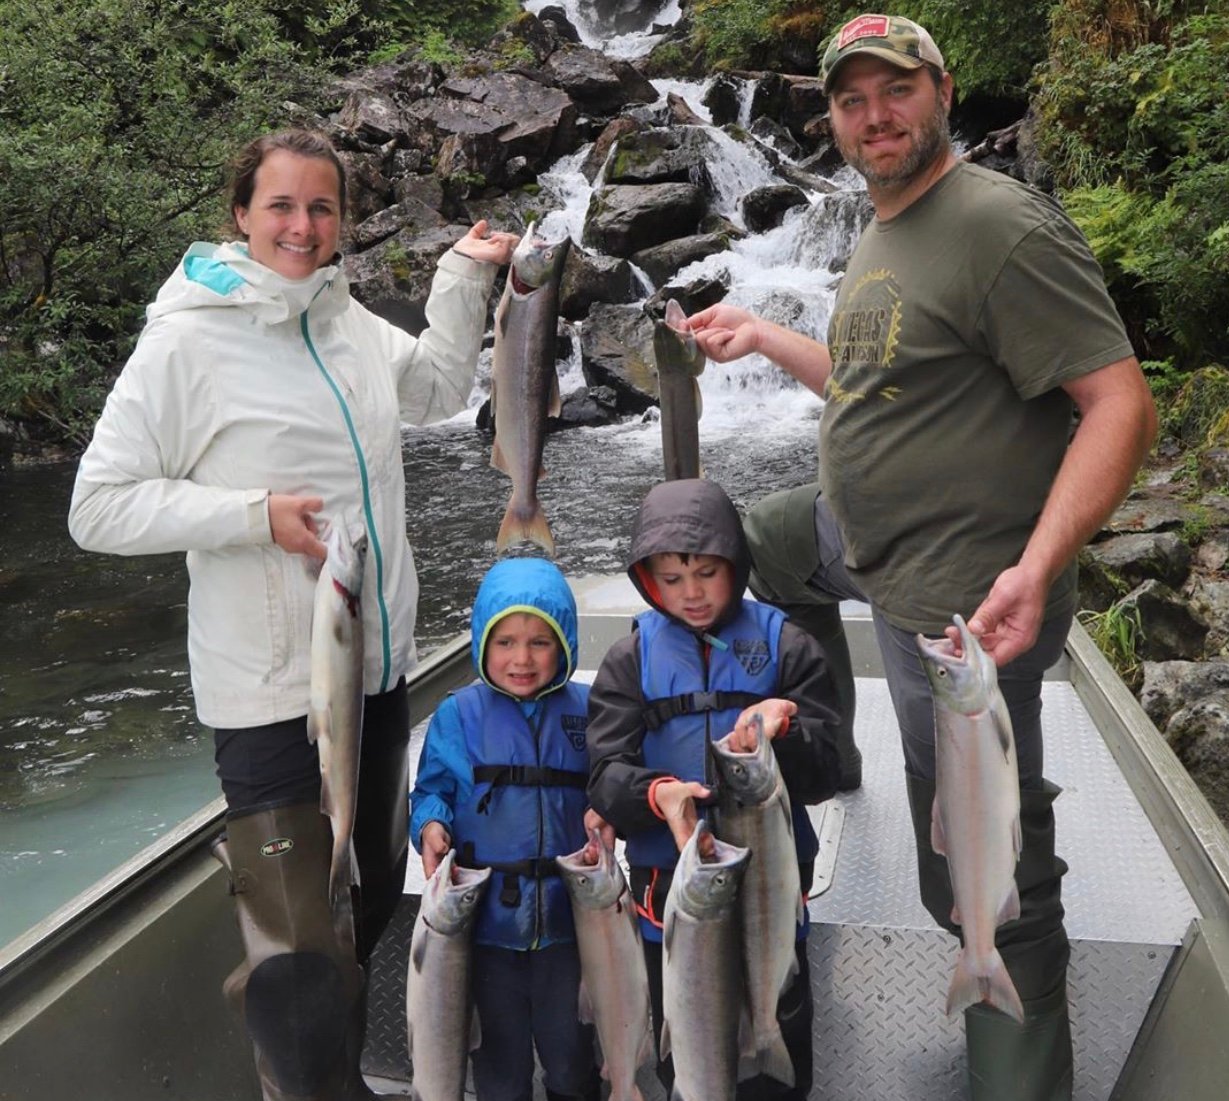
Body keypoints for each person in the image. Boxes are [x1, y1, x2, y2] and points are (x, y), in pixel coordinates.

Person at [687, 14, 1159, 1101]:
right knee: (751, 538)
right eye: (850, 101)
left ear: (939, 90)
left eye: (891, 92)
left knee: (984, 869)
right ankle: (822, 750)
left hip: (958, 608)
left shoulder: (996, 226)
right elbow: (870, 386)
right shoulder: (881, 220)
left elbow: (1117, 405)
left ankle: (1010, 1047)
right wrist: (761, 335)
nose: (872, 116)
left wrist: (1036, 567)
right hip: (862, 541)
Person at [66, 128, 519, 1101]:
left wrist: (462, 274)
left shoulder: (343, 318)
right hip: (271, 700)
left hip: (376, 679)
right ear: (240, 213)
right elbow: (96, 506)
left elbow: (439, 389)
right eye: (280, 206)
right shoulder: (185, 340)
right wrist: (251, 518)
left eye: (320, 208)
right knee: (300, 956)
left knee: (358, 908)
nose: (301, 227)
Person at [586, 477, 842, 1099]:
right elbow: (605, 776)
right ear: (647, 579)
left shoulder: (789, 645)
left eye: (706, 572)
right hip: (671, 891)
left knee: (779, 1038)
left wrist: (789, 731)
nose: (691, 593)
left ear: (737, 564)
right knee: (691, 1058)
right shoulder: (628, 660)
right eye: (671, 579)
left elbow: (826, 772)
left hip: (769, 893)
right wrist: (658, 795)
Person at [410, 556, 602, 1101]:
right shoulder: (458, 715)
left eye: (540, 642)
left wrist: (609, 812)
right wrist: (430, 828)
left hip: (571, 930)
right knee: (498, 1066)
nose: (522, 658)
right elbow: (431, 792)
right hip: (487, 933)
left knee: (571, 1061)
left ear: (564, 643)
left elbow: (610, 787)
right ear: (482, 644)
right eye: (506, 642)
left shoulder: (588, 710)